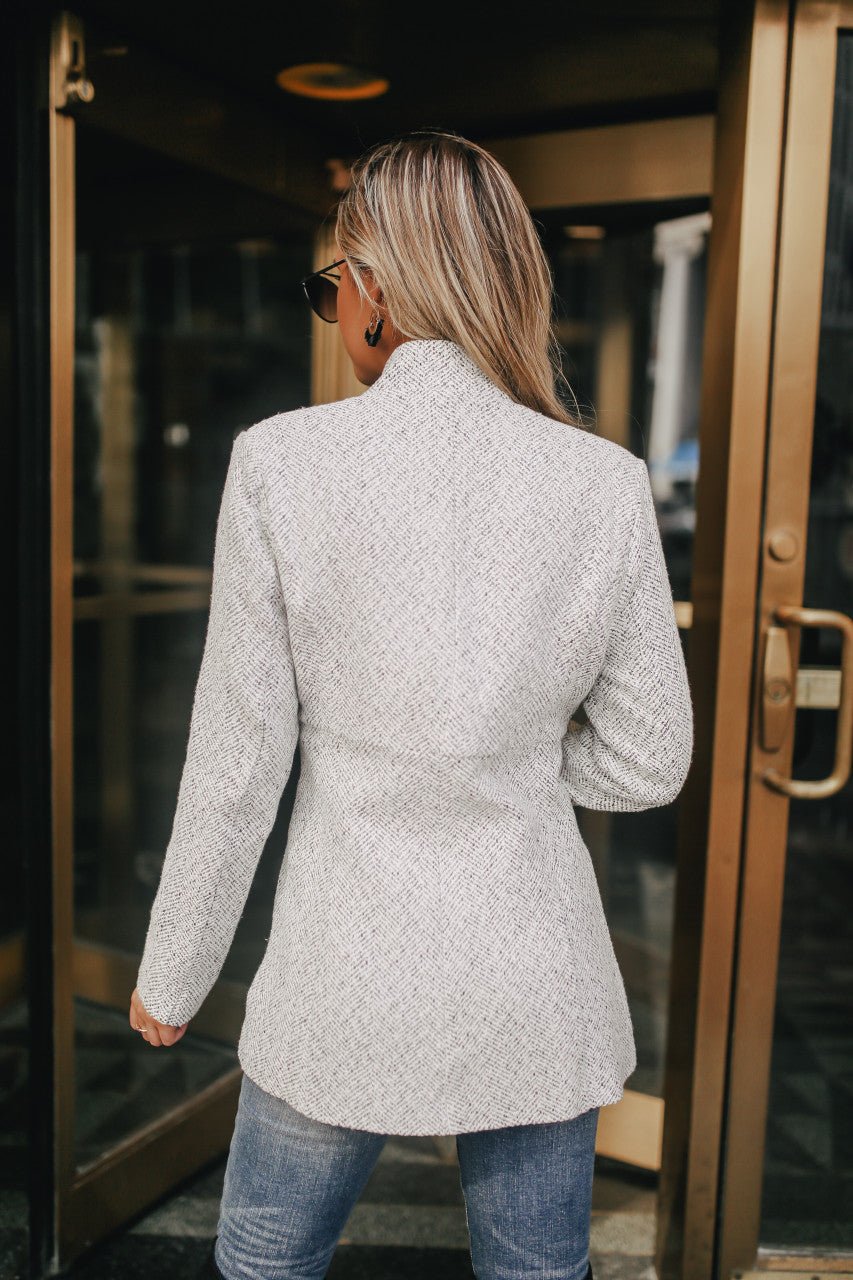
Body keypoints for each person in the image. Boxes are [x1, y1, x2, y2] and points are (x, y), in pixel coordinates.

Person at [128, 129, 694, 1280]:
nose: (335, 309)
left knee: (263, 1264)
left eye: (332, 284)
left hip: (342, 973)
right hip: (534, 980)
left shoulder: (282, 463)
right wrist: (519, 759)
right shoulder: (603, 483)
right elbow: (649, 759)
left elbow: (240, 758)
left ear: (375, 291)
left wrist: (173, 970)